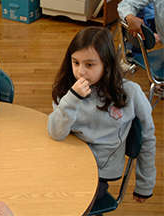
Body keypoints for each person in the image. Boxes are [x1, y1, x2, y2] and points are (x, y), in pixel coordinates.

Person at [48, 27, 156, 203]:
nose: (80, 72)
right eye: (75, 62)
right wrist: (72, 99)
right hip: (66, 161)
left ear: (107, 64)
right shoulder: (66, 91)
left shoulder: (131, 93)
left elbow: (147, 138)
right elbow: (56, 133)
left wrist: (145, 184)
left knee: (64, 201)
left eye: (89, 65)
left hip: (99, 172)